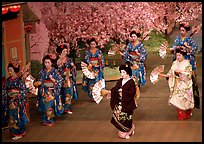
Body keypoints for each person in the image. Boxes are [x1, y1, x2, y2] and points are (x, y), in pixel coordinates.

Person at [169, 22, 200, 109]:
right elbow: (174, 47)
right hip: (179, 61)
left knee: (189, 83)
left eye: (183, 30)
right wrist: (174, 49)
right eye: (180, 30)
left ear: (187, 31)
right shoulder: (178, 38)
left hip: (187, 61)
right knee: (178, 82)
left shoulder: (190, 40)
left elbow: (195, 49)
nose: (181, 32)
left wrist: (188, 48)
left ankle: (190, 101)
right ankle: (179, 101)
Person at [159, 49, 195, 120]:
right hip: (177, 84)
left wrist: (181, 72)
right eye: (176, 55)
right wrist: (166, 75)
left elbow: (189, 75)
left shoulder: (187, 63)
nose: (178, 57)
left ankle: (188, 112)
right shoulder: (175, 63)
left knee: (186, 99)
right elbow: (171, 71)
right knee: (178, 99)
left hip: (185, 84)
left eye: (179, 55)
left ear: (183, 55)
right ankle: (182, 115)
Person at [107, 64, 137, 139]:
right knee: (119, 117)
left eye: (123, 72)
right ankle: (123, 130)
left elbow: (132, 93)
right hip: (120, 103)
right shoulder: (120, 81)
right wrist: (111, 92)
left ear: (128, 72)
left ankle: (129, 131)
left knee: (127, 118)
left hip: (128, 103)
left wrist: (122, 91)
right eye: (121, 72)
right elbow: (115, 89)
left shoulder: (131, 82)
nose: (122, 74)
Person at [2, 60, 29, 140]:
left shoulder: (19, 81)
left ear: (15, 70)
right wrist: (6, 96)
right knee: (11, 117)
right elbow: (4, 90)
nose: (9, 72)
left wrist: (17, 97)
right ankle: (13, 131)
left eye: (11, 70)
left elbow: (23, 90)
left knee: (17, 116)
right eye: (8, 71)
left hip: (17, 101)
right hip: (10, 101)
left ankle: (19, 132)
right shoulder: (7, 80)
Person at [35, 54, 64, 126]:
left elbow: (60, 81)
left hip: (51, 91)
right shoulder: (42, 72)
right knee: (44, 106)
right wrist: (38, 83)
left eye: (48, 62)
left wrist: (53, 79)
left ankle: (51, 119)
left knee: (49, 106)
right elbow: (39, 80)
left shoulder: (55, 71)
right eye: (45, 63)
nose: (47, 64)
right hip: (44, 91)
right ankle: (45, 120)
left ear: (51, 63)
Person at [56, 44, 78, 114]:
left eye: (66, 51)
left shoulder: (69, 59)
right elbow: (56, 70)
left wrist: (73, 68)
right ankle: (61, 108)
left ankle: (67, 108)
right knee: (61, 93)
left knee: (69, 93)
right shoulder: (57, 60)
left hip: (68, 78)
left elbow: (73, 68)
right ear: (60, 52)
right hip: (60, 79)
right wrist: (60, 64)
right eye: (64, 51)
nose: (65, 53)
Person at [82, 37, 105, 102]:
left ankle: (97, 95)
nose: (93, 45)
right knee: (91, 82)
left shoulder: (99, 51)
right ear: (89, 45)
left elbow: (102, 60)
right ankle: (92, 96)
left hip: (97, 68)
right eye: (91, 44)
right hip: (90, 69)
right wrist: (89, 64)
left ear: (96, 44)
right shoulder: (87, 52)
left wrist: (100, 59)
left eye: (94, 44)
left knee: (97, 82)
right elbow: (86, 59)